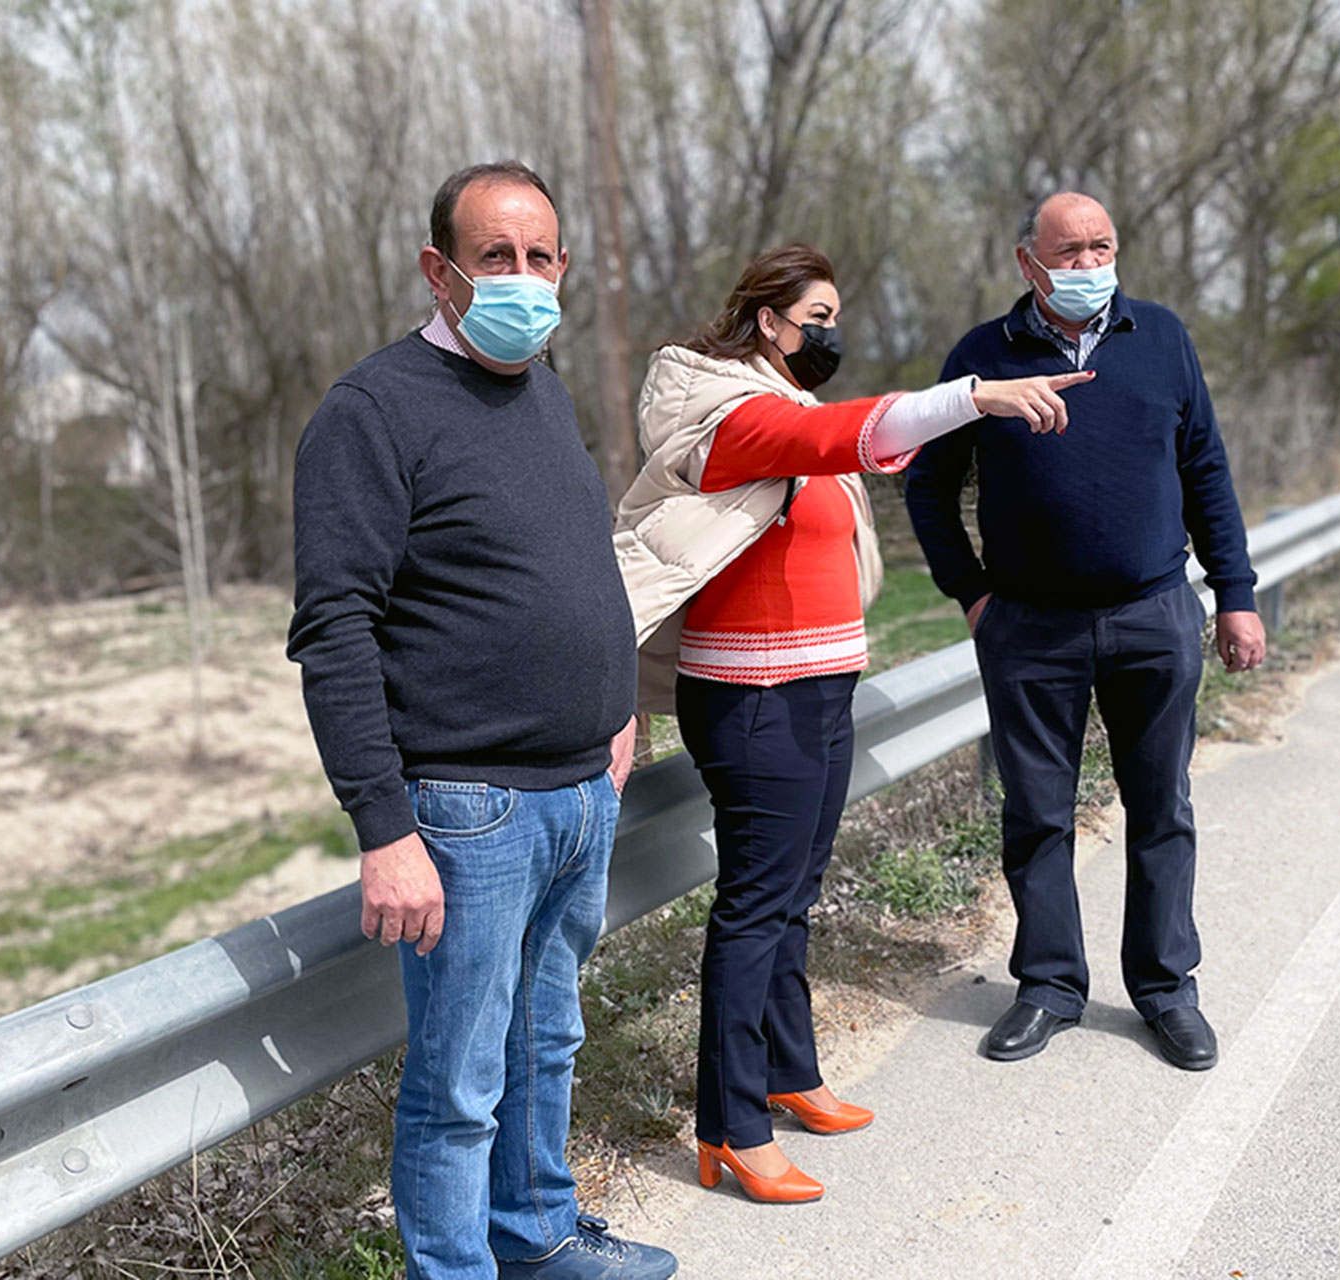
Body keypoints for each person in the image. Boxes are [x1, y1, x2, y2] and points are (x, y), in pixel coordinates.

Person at [613, 244, 1090, 1203]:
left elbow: (837, 468)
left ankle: (789, 1071)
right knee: (756, 905)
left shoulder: (788, 405)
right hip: (756, 696)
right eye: (817, 319)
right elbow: (845, 436)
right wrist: (976, 397)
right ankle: (730, 1126)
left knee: (795, 893)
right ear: (767, 322)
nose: (832, 334)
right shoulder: (731, 414)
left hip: (820, 688)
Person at [288, 161, 675, 1280]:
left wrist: (614, 706)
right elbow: (335, 629)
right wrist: (383, 827)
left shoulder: (544, 392)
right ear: (439, 270)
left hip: (580, 790)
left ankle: (538, 1235)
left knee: (546, 1042)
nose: (522, 276)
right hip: (466, 810)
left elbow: (570, 566)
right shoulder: (373, 412)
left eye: (539, 257)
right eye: (494, 256)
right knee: (458, 1083)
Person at [904, 192, 1266, 1073]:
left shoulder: (1162, 338)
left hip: (1153, 613)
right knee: (1036, 814)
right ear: (1028, 261)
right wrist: (974, 596)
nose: (1088, 265)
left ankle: (1167, 990)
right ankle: (1049, 987)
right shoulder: (984, 357)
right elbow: (927, 483)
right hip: (1029, 627)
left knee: (1162, 808)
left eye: (1101, 246)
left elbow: (1205, 470)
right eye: (1069, 252)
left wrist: (1236, 593)